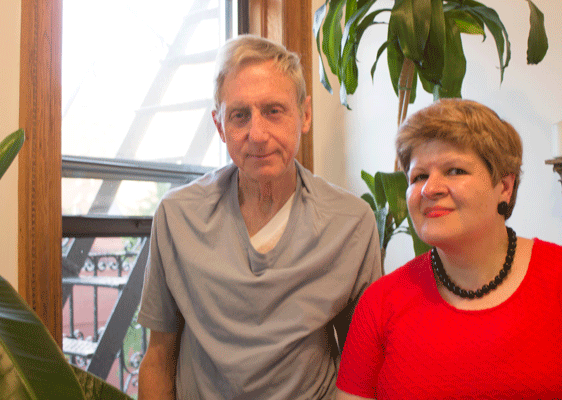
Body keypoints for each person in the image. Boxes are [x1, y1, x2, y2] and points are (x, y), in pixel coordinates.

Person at [137, 34, 381, 400]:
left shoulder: (351, 223)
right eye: (239, 115)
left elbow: (361, 366)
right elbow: (158, 359)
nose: (257, 134)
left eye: (273, 111)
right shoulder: (177, 216)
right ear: (219, 126)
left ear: (305, 115)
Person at [335, 98, 562, 399]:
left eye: (454, 171)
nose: (429, 188)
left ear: (505, 186)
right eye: (419, 176)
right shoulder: (379, 304)